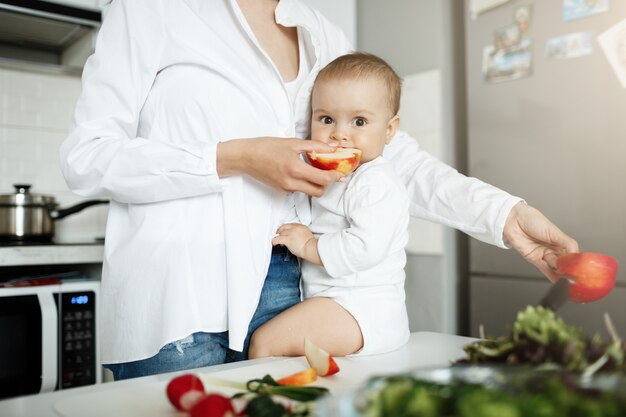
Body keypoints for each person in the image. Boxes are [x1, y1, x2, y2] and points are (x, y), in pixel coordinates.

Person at [59, 0, 578, 380]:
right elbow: (87, 158)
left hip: (294, 287)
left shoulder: (321, 33)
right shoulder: (150, 10)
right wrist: (237, 156)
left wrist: (506, 216)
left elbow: (393, 162)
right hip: (180, 291)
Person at [248, 52, 410, 357]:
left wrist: (310, 246)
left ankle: (261, 405)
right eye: (326, 119)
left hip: (362, 310)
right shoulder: (334, 174)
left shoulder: (377, 181)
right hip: (337, 303)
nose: (339, 134)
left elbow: (366, 246)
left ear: (389, 130)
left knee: (265, 343)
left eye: (359, 121)